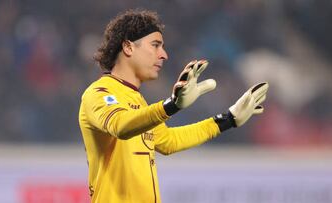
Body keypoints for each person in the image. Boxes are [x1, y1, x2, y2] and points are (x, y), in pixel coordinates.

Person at [78, 9, 268, 203]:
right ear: (128, 47)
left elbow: (168, 141)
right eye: (155, 45)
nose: (164, 55)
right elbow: (120, 126)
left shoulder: (136, 100)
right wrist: (172, 106)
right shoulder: (99, 93)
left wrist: (228, 119)